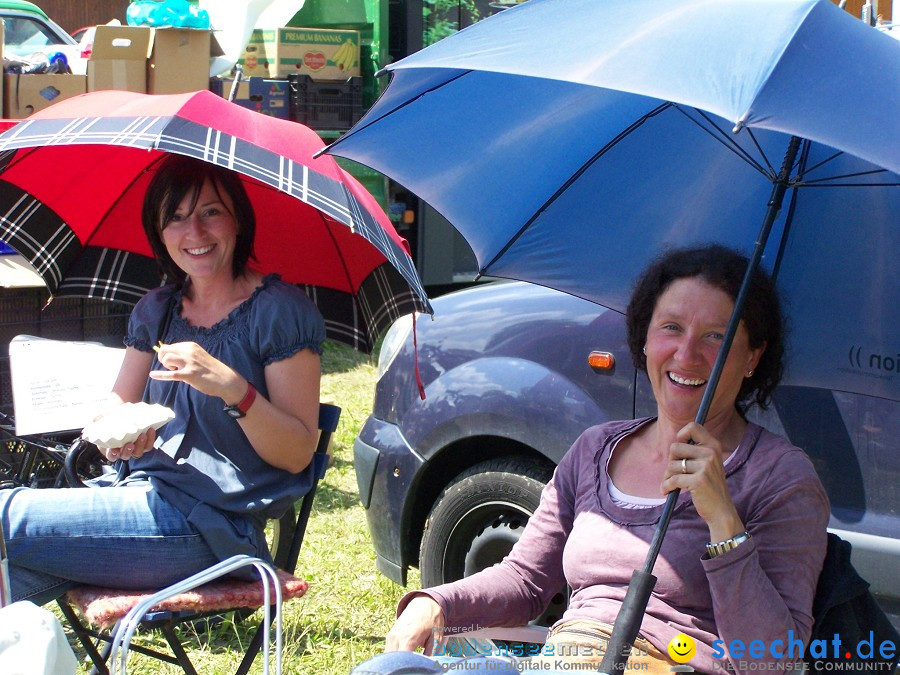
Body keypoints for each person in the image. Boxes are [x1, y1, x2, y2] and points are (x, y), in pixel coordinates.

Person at [379, 245, 829, 674]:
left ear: (753, 356)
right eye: (670, 327)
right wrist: (435, 603)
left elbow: (775, 663)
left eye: (716, 336)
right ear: (645, 337)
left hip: (672, 663)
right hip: (566, 656)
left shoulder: (780, 477)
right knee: (388, 670)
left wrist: (725, 524)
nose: (688, 354)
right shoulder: (595, 450)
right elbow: (525, 579)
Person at [0, 154, 325, 604]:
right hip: (135, 497)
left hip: (214, 530)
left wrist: (232, 386)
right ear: (158, 232)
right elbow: (117, 404)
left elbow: (295, 454)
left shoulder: (279, 312)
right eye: (175, 217)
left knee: (5, 518)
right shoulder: (158, 310)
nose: (194, 232)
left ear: (238, 221)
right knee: (9, 574)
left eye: (210, 212)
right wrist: (115, 438)